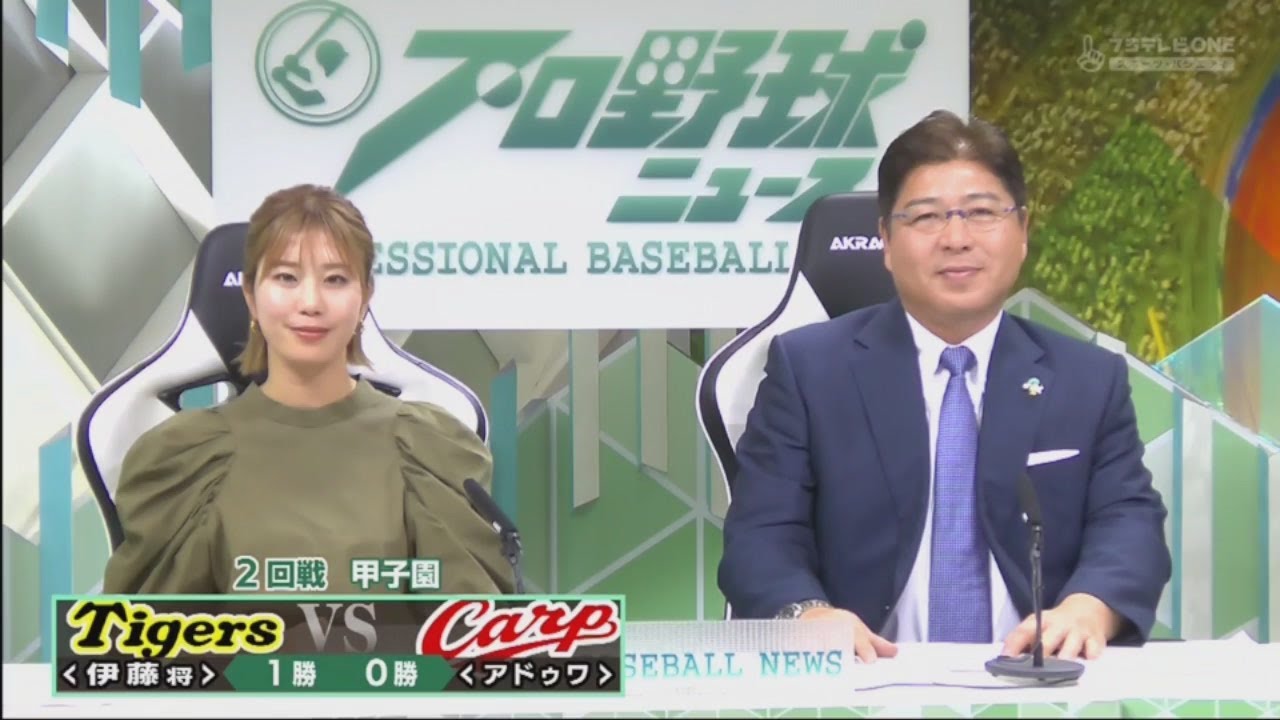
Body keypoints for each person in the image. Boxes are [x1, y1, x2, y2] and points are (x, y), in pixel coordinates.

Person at [718, 110, 1170, 663]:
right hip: (865, 678)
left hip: (1038, 678)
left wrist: (1089, 607)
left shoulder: (1087, 378)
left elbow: (1129, 521)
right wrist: (809, 615)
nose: (956, 239)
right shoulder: (810, 370)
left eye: (981, 213)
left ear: (1023, 233)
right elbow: (761, 533)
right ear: (886, 241)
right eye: (926, 217)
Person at [102, 184, 514, 595]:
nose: (311, 302)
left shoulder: (429, 447)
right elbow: (147, 629)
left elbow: (469, 623)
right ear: (251, 295)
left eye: (335, 279)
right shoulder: (182, 457)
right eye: (286, 277)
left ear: (365, 297)